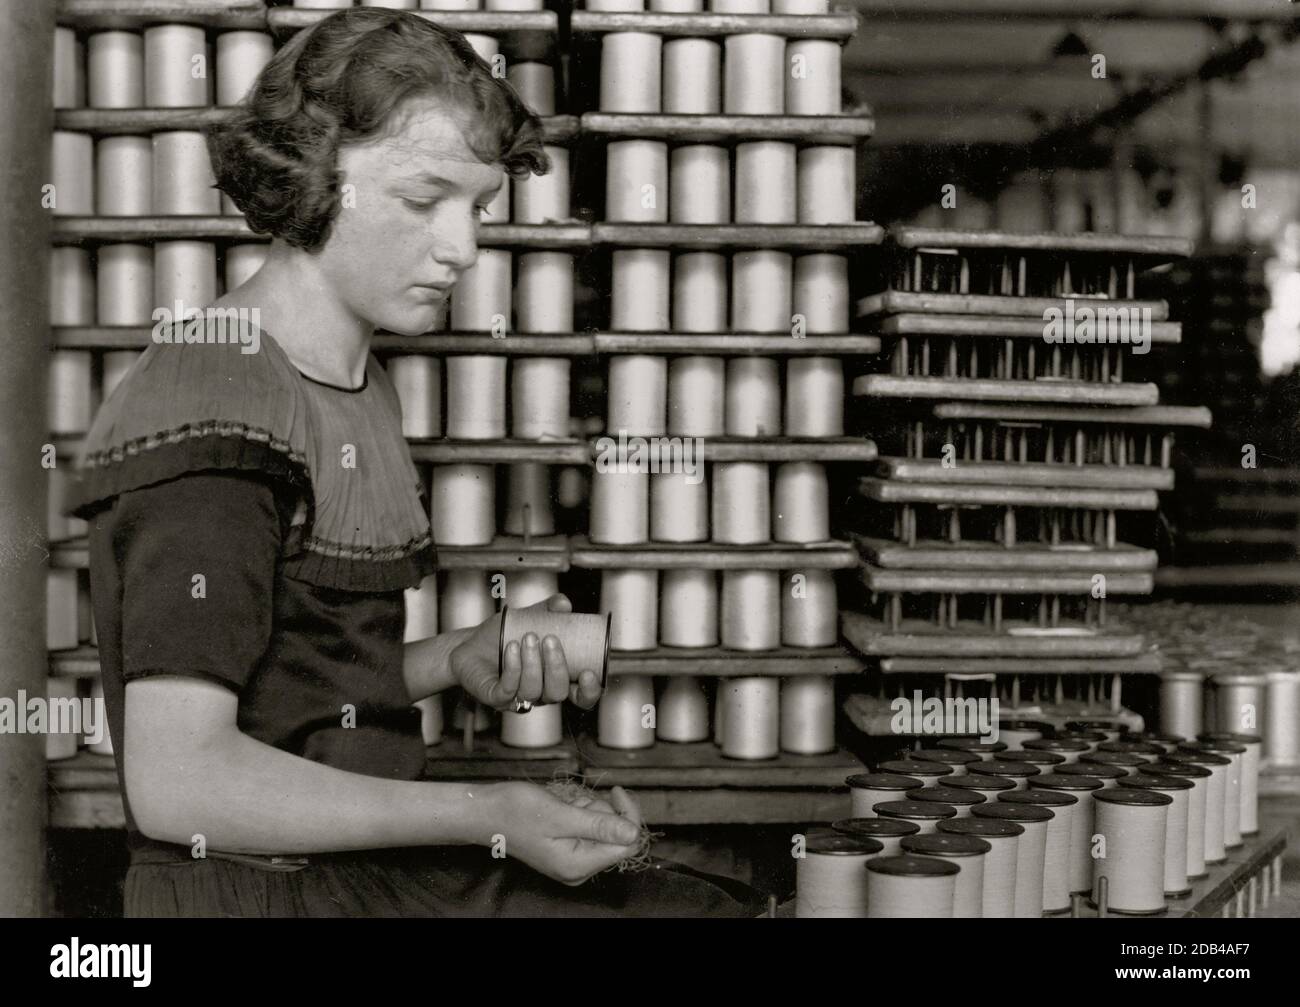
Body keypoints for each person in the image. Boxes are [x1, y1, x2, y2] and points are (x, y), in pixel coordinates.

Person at [70, 7, 762, 918]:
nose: (463, 248)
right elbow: (180, 781)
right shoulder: (217, 399)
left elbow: (301, 691)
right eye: (419, 198)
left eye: (475, 208)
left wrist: (451, 658)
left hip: (348, 873)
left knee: (707, 892)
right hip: (252, 890)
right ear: (311, 173)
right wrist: (493, 813)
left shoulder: (352, 383)